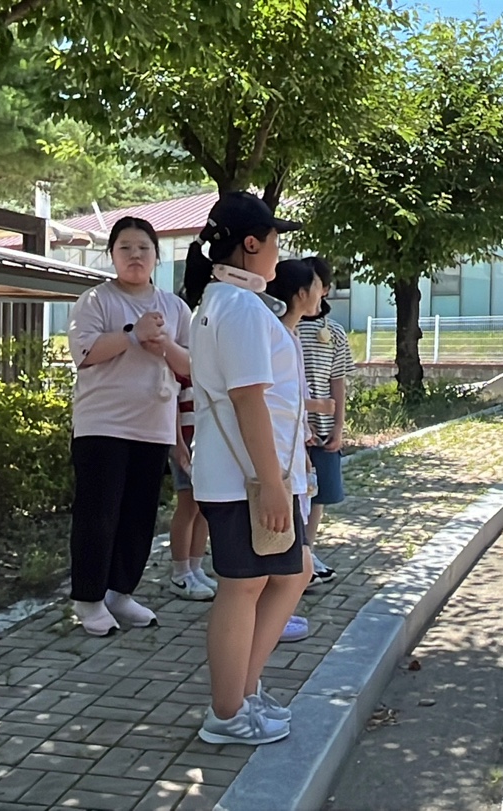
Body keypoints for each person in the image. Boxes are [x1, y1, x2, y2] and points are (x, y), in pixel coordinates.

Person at [185, 191, 310, 745]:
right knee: (242, 587)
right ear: (252, 244)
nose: (280, 253)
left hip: (244, 475)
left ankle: (243, 691)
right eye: (275, 241)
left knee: (290, 572)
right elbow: (248, 400)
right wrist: (274, 485)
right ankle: (227, 712)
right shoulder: (236, 306)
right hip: (245, 479)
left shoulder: (229, 301)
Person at [66, 216, 191, 635]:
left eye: (143, 248)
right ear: (111, 255)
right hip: (102, 425)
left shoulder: (175, 308)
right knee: (98, 514)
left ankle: (121, 592)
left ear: (157, 256)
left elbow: (191, 366)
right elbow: (84, 352)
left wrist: (165, 345)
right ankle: (88, 599)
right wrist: (133, 336)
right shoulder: (96, 300)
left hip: (153, 425)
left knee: (139, 515)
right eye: (125, 248)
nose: (135, 255)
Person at [265, 259, 334, 645]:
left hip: (290, 452)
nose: (323, 293)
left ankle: (278, 615)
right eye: (318, 285)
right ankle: (271, 619)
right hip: (275, 456)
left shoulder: (289, 335)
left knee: (292, 547)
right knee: (282, 548)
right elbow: (270, 400)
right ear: (301, 293)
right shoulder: (275, 335)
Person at [297, 256, 355, 591]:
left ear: (326, 289)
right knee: (296, 494)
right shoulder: (285, 327)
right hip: (291, 431)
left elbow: (338, 382)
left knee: (318, 495)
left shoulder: (334, 332)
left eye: (314, 283)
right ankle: (295, 558)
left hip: (322, 429)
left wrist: (337, 427)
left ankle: (308, 550)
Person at [168, 370, 218, 601]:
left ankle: (195, 567)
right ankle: (180, 573)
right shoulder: (181, 360)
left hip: (208, 435)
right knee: (188, 503)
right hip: (187, 437)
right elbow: (171, 403)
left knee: (204, 505)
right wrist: (178, 443)